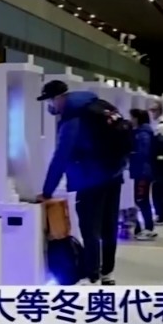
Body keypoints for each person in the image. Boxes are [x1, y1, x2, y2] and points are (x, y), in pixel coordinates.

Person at [37, 80, 125, 285]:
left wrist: (47, 191)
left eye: (50, 101)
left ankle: (92, 275)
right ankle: (107, 273)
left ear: (58, 98)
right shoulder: (97, 105)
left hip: (91, 179)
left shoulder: (73, 117)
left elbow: (61, 157)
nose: (50, 106)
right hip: (114, 174)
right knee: (109, 226)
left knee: (90, 228)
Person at [128, 108, 157, 241]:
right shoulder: (143, 132)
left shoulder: (143, 134)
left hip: (142, 171)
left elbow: (143, 153)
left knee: (141, 199)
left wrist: (132, 154)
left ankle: (148, 228)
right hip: (142, 171)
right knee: (140, 199)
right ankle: (142, 227)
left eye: (132, 117)